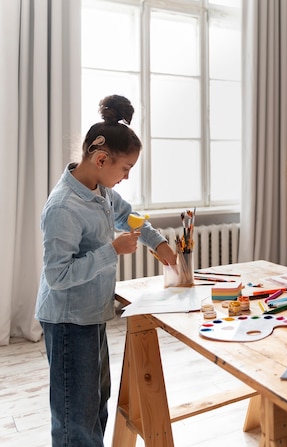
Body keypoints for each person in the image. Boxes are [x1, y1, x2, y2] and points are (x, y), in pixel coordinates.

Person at [35, 95, 178, 446]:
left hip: (92, 315)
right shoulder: (63, 208)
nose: (126, 177)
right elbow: (58, 277)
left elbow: (128, 214)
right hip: (69, 321)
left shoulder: (100, 190)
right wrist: (111, 250)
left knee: (97, 405)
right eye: (125, 169)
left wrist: (157, 242)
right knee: (75, 418)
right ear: (101, 159)